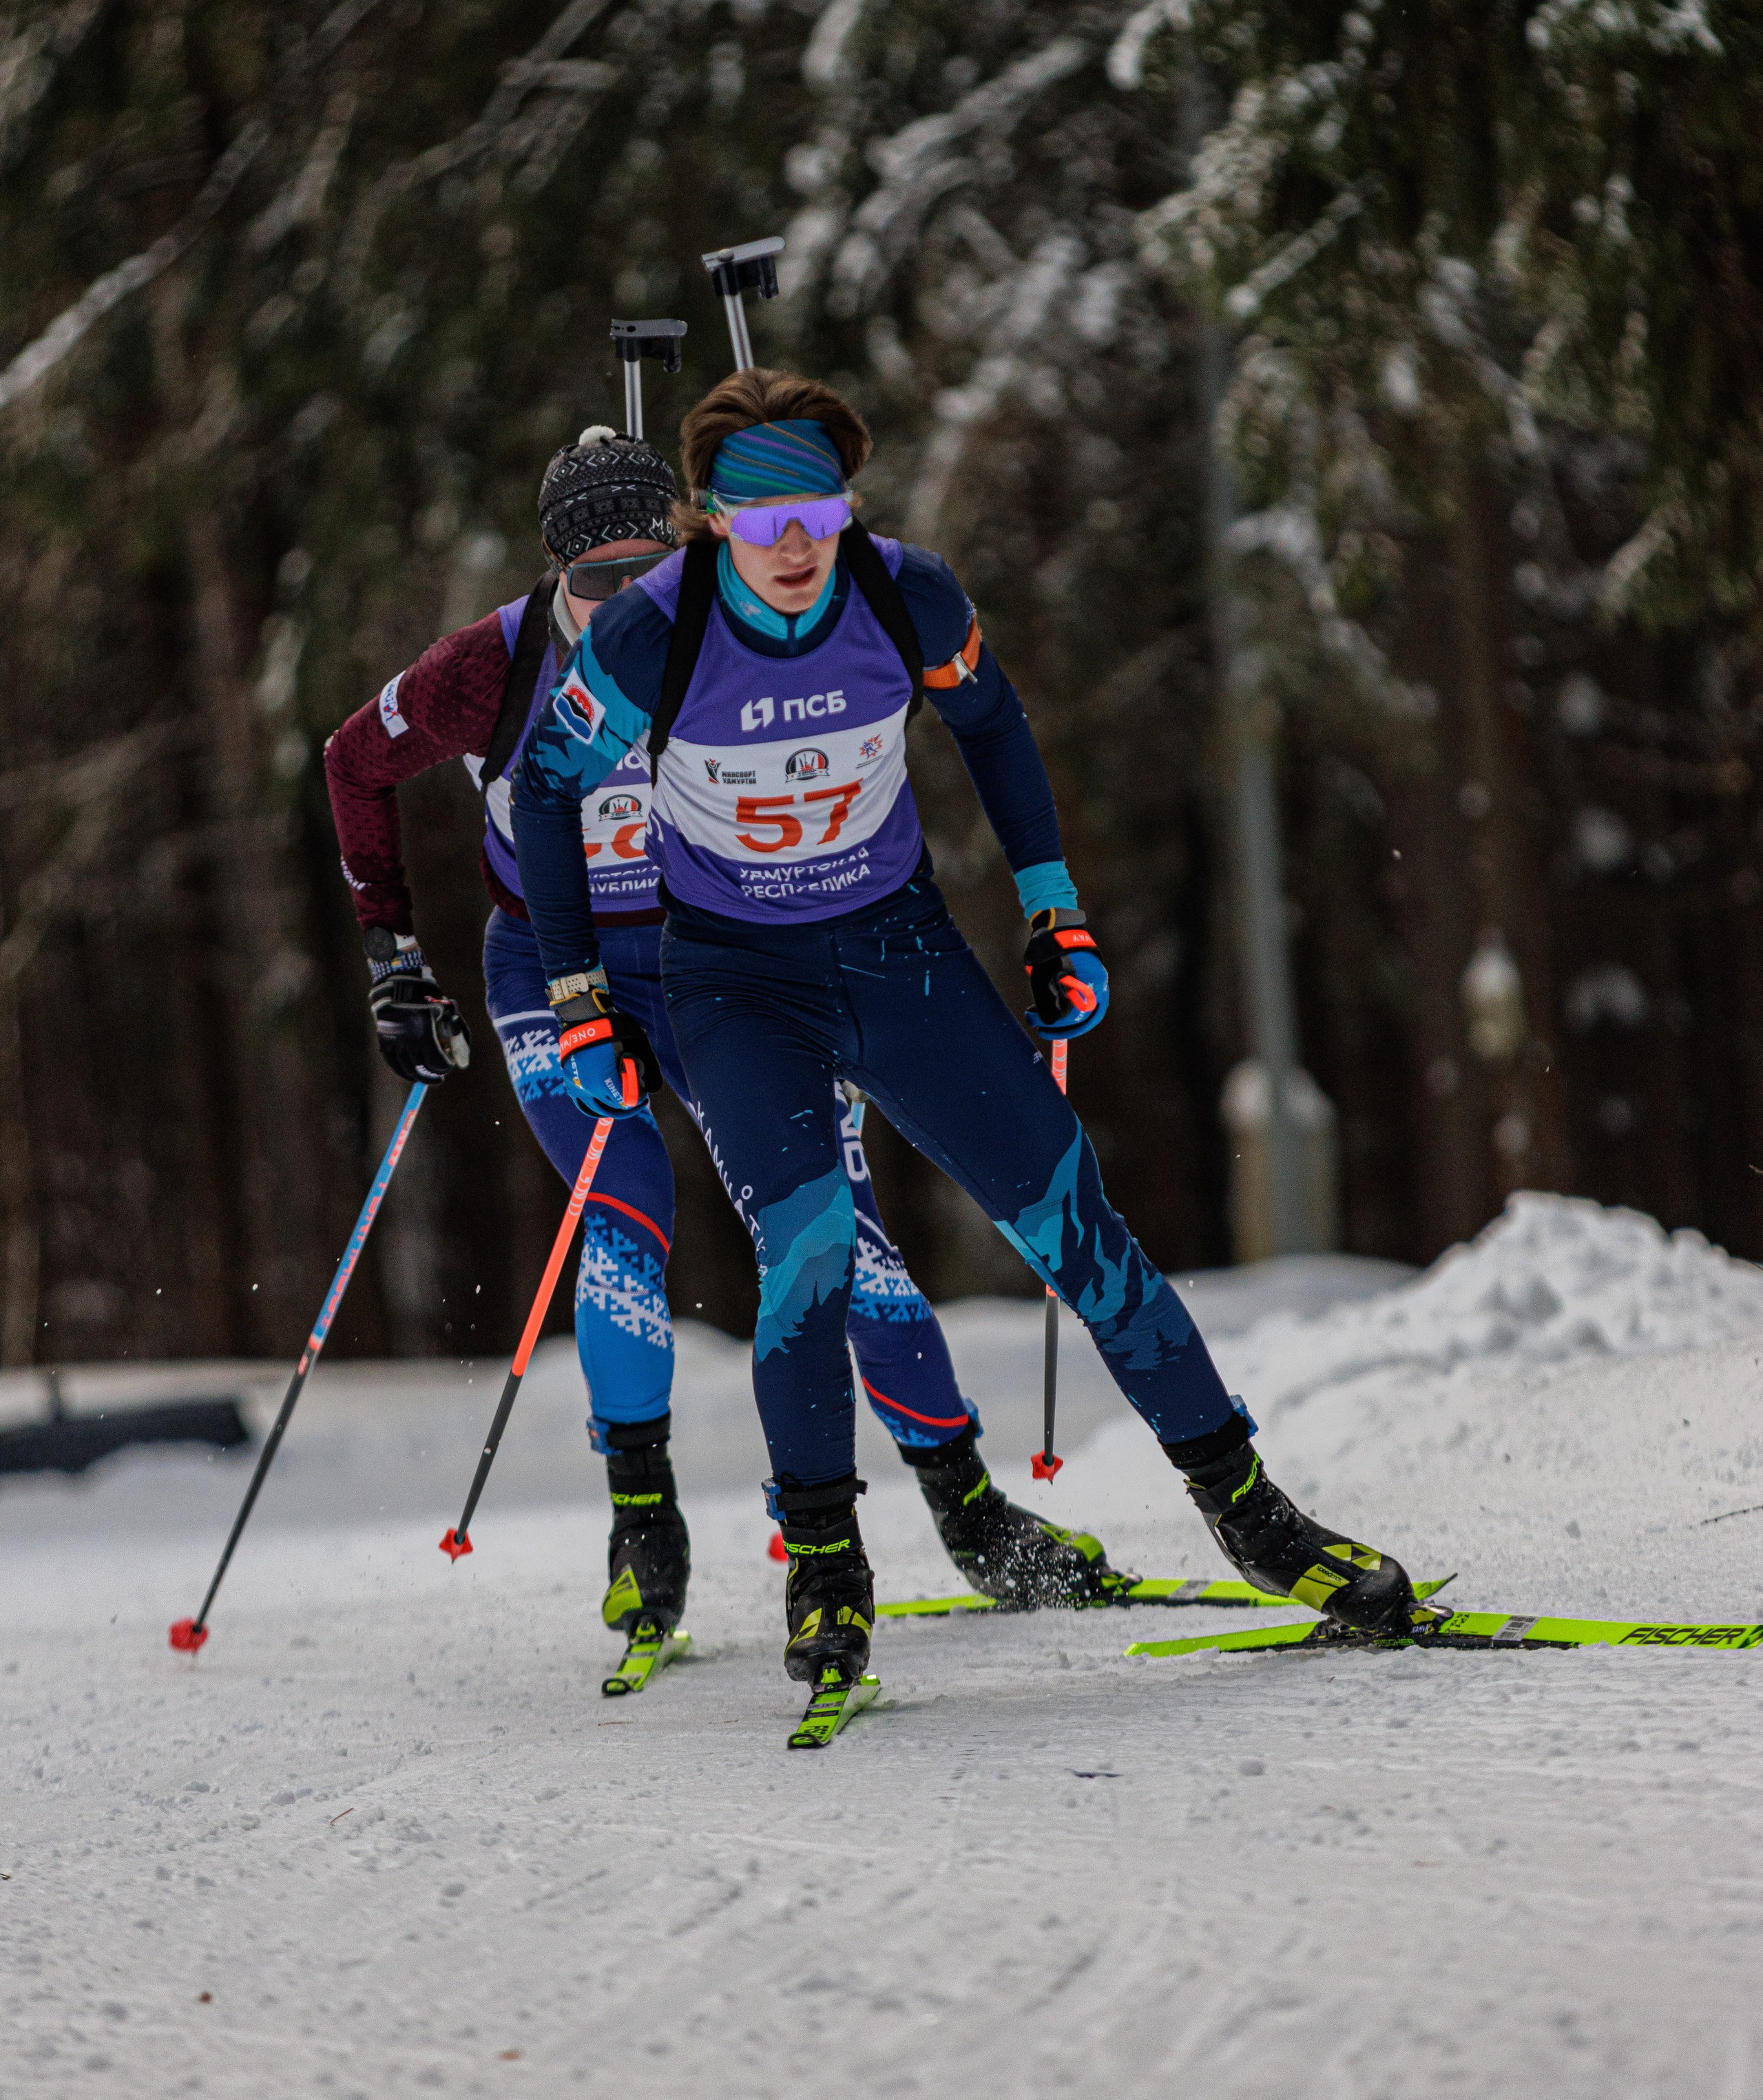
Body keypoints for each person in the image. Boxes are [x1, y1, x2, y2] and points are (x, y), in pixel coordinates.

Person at [511, 369, 1421, 1696]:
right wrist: (581, 995)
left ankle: (1258, 1519)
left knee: (1073, 1219)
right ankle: (827, 1572)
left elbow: (993, 725)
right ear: (710, 519)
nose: (791, 543)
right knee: (811, 1253)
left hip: (895, 952)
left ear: (849, 505)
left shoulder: (906, 594)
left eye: (814, 507)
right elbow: (544, 796)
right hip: (735, 981)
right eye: (757, 515)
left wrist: (1055, 912)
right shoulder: (653, 634)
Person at [324, 425, 1127, 1658]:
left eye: (644, 577)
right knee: (625, 1206)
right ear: (553, 575)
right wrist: (396, 958)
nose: (615, 610)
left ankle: (969, 1513)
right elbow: (350, 762)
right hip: (553, 969)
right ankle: (644, 1527)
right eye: (592, 586)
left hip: (719, 964)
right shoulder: (489, 665)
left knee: (836, 1236)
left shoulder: (719, 626)